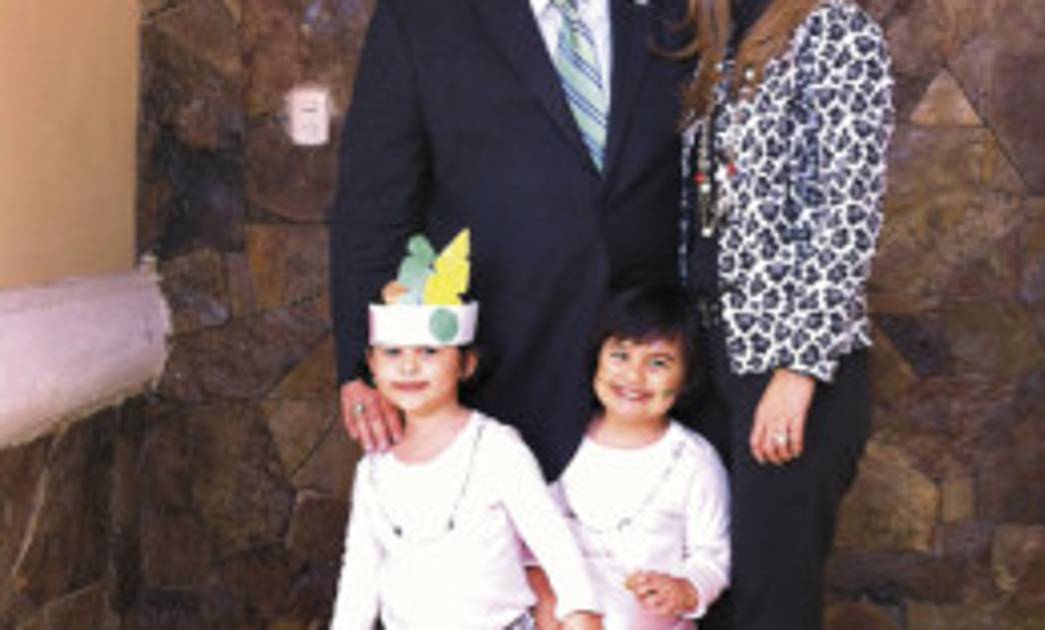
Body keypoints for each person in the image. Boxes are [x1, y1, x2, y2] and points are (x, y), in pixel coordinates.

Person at [329, 0, 692, 480]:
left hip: (645, 379)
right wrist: (363, 364)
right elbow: (373, 208)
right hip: (492, 373)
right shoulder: (421, 17)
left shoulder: (680, 12)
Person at [676, 0, 894, 628]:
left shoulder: (837, 30)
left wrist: (799, 370)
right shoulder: (712, 35)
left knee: (772, 600)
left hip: (787, 362)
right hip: (705, 350)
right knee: (708, 593)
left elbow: (847, 215)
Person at [330, 230, 602, 630]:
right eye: (392, 352)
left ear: (466, 364)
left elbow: (550, 536)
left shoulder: (496, 448)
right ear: (371, 365)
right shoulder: (373, 470)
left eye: (429, 351)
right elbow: (360, 573)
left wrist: (580, 608)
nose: (409, 366)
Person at [529, 283, 730, 629]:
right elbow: (532, 539)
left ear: (687, 376)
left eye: (658, 363)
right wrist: (546, 598)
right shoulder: (562, 442)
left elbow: (713, 556)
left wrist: (685, 589)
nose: (634, 376)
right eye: (620, 356)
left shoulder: (694, 461)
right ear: (596, 357)